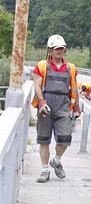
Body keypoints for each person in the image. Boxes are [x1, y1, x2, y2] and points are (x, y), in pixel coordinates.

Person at [31, 34, 81, 183]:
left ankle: (57, 160)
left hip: (63, 106)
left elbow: (74, 89)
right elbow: (37, 86)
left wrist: (76, 107)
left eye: (62, 49)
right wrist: (41, 102)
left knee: (65, 138)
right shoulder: (41, 66)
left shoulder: (70, 68)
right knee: (44, 139)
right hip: (46, 104)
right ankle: (45, 170)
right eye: (56, 49)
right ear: (50, 50)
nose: (59, 51)